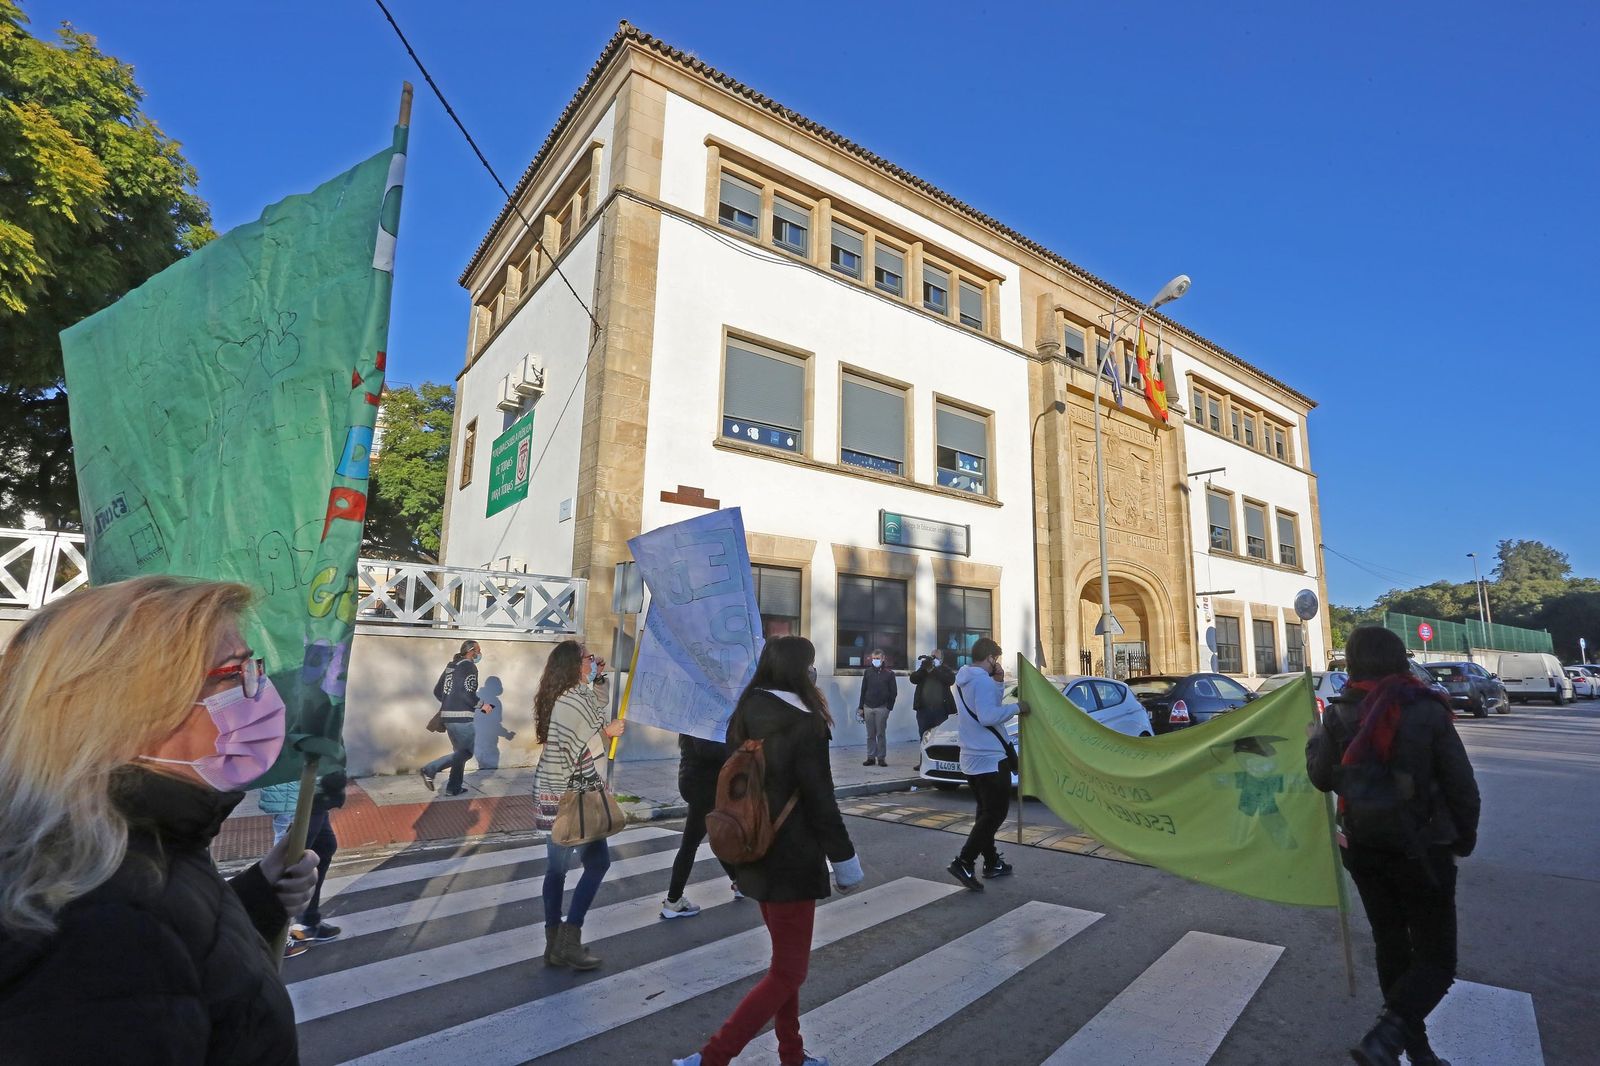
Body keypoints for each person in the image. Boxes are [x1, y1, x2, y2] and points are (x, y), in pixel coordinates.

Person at [0, 576, 320, 1064]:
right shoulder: (91, 929)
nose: (261, 692)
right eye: (236, 673)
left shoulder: (138, 838)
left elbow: (181, 962)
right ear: (132, 709)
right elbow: (137, 960)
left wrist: (261, 896)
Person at [673, 636, 863, 1066]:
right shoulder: (806, 723)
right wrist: (845, 860)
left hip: (752, 848)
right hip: (792, 858)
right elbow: (820, 798)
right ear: (800, 672)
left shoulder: (744, 712)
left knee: (783, 967)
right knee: (789, 972)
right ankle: (710, 1058)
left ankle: (792, 1055)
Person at [1306, 625, 1480, 1066]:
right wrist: (1464, 838)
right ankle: (1388, 1037)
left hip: (1362, 847)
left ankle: (1414, 1049)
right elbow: (1461, 784)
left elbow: (1322, 777)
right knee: (1438, 959)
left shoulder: (1341, 712)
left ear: (1355, 661)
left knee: (1392, 943)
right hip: (1422, 848)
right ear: (1401, 657)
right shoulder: (1424, 706)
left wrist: (1314, 739)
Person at [534, 640, 621, 970]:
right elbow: (578, 744)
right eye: (587, 657)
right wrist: (607, 734)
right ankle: (567, 941)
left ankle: (555, 945)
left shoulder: (570, 695)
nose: (592, 660)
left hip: (558, 793)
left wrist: (600, 679)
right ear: (574, 664)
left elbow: (595, 709)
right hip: (573, 795)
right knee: (597, 863)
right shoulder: (569, 701)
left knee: (557, 870)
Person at [947, 638, 1016, 891]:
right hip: (990, 757)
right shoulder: (982, 681)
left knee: (985, 812)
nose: (996, 664)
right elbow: (989, 716)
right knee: (995, 814)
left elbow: (985, 706)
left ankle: (991, 861)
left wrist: (999, 683)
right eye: (995, 660)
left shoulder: (963, 678)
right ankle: (964, 861)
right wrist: (1018, 707)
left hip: (971, 755)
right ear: (989, 658)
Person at [258, 771, 347, 957]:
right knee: (287, 864)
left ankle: (308, 921)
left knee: (324, 847)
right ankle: (272, 936)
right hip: (297, 794)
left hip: (313, 793)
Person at [660, 732, 741, 918]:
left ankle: (738, 882)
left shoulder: (694, 712)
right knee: (693, 842)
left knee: (714, 834)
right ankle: (673, 901)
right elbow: (707, 748)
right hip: (703, 784)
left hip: (696, 780)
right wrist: (738, 748)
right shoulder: (703, 716)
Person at [420, 639, 497, 796]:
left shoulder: (451, 666)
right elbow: (467, 694)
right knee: (466, 752)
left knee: (459, 753)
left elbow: (437, 691)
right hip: (462, 717)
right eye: (478, 650)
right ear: (471, 651)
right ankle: (430, 769)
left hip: (447, 717)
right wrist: (483, 706)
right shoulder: (470, 666)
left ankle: (453, 787)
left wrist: (450, 703)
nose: (480, 654)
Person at [908, 649, 956, 770]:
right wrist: (924, 669)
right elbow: (913, 679)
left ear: (941, 659)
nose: (933, 658)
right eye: (932, 656)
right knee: (924, 736)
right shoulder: (924, 669)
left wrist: (935, 669)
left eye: (936, 657)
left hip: (940, 710)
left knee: (940, 737)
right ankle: (923, 762)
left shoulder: (945, 669)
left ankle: (941, 762)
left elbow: (950, 680)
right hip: (924, 709)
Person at [855, 647, 897, 767]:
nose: (875, 660)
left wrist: (889, 708)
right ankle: (871, 757)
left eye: (877, 658)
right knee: (870, 734)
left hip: (882, 708)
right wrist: (861, 707)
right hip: (868, 706)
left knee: (880, 734)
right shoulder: (868, 672)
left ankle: (881, 758)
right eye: (873, 658)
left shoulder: (889, 674)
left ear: (883, 659)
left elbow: (893, 692)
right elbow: (863, 690)